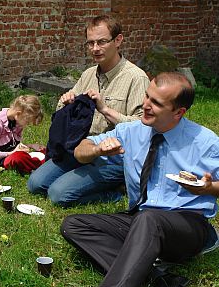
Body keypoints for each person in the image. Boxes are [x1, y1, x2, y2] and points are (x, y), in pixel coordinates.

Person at [54, 72, 219, 287]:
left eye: (157, 103)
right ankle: (160, 276)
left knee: (150, 219)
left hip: (187, 227)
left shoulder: (204, 142)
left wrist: (210, 189)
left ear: (178, 112)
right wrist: (98, 149)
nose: (146, 105)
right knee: (74, 225)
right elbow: (80, 150)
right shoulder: (133, 131)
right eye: (147, 96)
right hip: (142, 221)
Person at [27, 14, 149, 206]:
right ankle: (86, 180)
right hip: (81, 148)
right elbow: (64, 111)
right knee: (36, 184)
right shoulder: (89, 74)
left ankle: (115, 191)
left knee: (58, 195)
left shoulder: (136, 78)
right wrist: (66, 103)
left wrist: (105, 109)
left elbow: (143, 126)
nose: (95, 49)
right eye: (90, 43)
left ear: (118, 40)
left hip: (114, 156)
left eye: (101, 42)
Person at [0, 94, 44, 173]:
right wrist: (11, 153)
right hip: (2, 158)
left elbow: (15, 145)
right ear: (18, 114)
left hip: (15, 152)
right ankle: (42, 165)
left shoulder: (17, 121)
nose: (26, 124)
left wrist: (31, 146)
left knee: (44, 150)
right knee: (18, 158)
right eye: (27, 121)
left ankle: (42, 162)